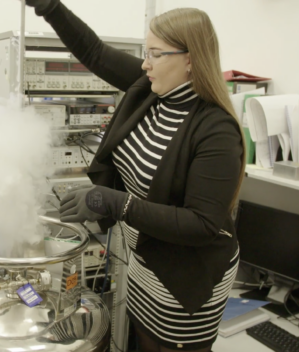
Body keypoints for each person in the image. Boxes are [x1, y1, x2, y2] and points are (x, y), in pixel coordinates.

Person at [26, 1, 245, 351]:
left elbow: (202, 224)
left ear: (190, 59)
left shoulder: (216, 130)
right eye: (146, 52)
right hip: (145, 260)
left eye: (155, 54)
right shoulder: (153, 90)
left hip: (184, 280)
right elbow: (95, 52)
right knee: (140, 341)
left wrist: (113, 202)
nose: (145, 64)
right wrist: (50, 7)